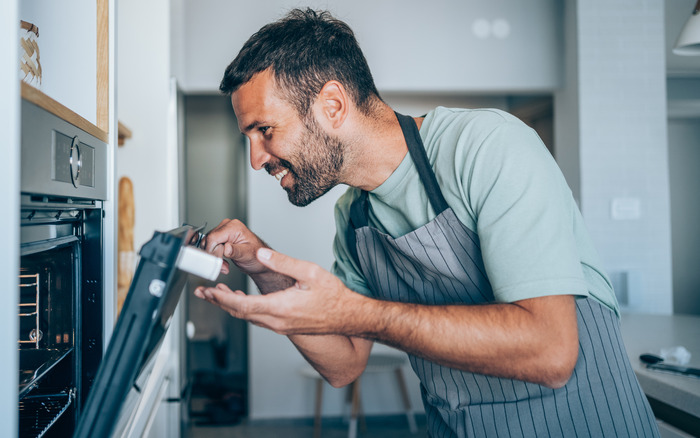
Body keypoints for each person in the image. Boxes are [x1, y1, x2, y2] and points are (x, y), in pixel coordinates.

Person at [194, 8, 659, 437]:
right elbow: (343, 365)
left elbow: (551, 351)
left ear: (332, 105)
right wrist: (261, 265)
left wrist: (358, 313)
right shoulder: (354, 217)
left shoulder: (486, 149)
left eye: (265, 130)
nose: (256, 159)